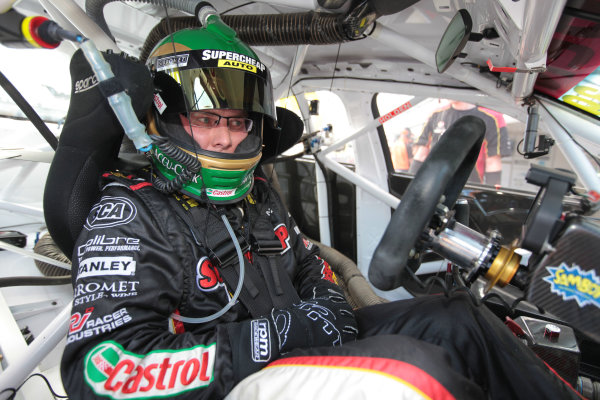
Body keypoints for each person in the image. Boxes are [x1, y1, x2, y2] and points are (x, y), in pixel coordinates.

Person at [57, 18, 581, 400]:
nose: (225, 137)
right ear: (167, 120)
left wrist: (327, 306)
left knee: (455, 318)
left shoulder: (255, 193)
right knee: (414, 371)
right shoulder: (129, 214)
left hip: (301, 351)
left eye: (238, 122)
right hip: (238, 382)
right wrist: (275, 336)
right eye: (207, 120)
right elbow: (100, 373)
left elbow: (308, 262)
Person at [411, 101, 510, 185]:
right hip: (433, 183)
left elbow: (493, 162)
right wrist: (407, 185)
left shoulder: (492, 117)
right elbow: (421, 154)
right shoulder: (436, 114)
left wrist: (490, 196)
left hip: (469, 186)